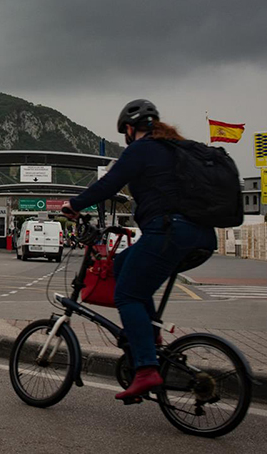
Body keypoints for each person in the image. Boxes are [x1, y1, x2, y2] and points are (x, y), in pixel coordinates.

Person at [61, 99, 216, 402]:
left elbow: (108, 185)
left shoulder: (142, 150)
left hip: (169, 232)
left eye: (126, 133)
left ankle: (146, 368)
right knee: (122, 267)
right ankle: (150, 336)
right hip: (201, 237)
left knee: (127, 294)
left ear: (130, 129)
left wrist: (74, 204)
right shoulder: (176, 149)